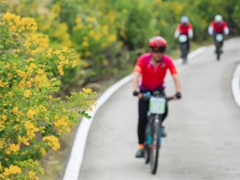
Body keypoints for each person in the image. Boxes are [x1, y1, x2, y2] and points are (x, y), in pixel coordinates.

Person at [132, 36, 181, 158]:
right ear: (151, 50)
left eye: (161, 50)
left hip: (159, 91)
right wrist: (135, 90)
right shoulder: (143, 59)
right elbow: (136, 75)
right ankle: (141, 148)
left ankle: (159, 126)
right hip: (144, 91)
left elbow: (175, 75)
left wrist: (178, 91)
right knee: (142, 119)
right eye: (155, 50)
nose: (158, 54)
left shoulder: (167, 61)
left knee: (165, 111)